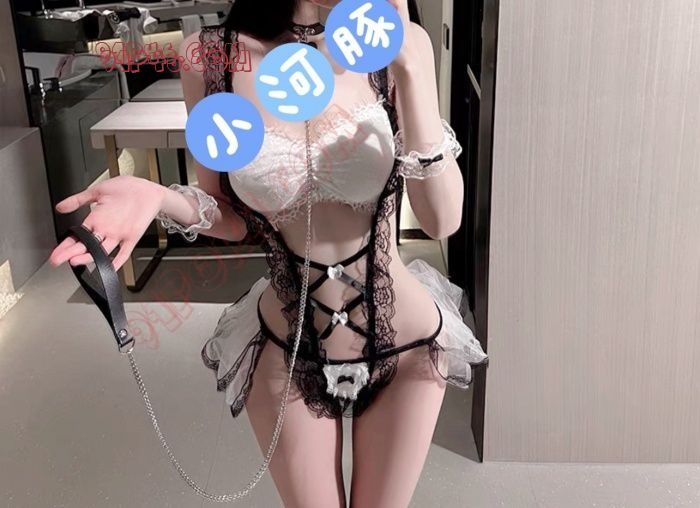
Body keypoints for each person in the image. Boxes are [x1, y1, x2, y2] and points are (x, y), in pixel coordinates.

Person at [49, 1, 488, 506]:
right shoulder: (211, 58)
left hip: (404, 344)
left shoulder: (394, 48)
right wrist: (157, 197)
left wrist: (409, 67)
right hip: (288, 346)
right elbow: (230, 216)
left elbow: (442, 221)